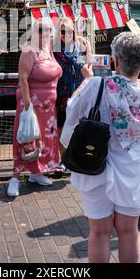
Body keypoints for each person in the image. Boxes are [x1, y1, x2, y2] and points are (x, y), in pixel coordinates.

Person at [60, 32, 140, 263]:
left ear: (115, 60)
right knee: (129, 232)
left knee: (99, 232)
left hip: (96, 164)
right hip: (134, 167)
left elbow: (72, 112)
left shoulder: (97, 85)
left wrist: (86, 81)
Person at [7, 19, 62, 197]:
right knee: (26, 140)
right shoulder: (29, 50)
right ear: (33, 31)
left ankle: (36, 173)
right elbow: (22, 79)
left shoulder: (48, 48)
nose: (43, 33)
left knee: (43, 141)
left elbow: (68, 33)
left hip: (48, 107)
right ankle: (14, 178)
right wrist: (28, 104)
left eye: (47, 30)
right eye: (39, 30)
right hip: (32, 105)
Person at [53, 18, 93, 173]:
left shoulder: (82, 44)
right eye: (62, 31)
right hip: (62, 92)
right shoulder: (55, 47)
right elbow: (71, 59)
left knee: (80, 126)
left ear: (74, 31)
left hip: (81, 90)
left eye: (69, 31)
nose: (65, 34)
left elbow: (89, 65)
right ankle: (62, 160)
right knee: (62, 126)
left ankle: (77, 158)